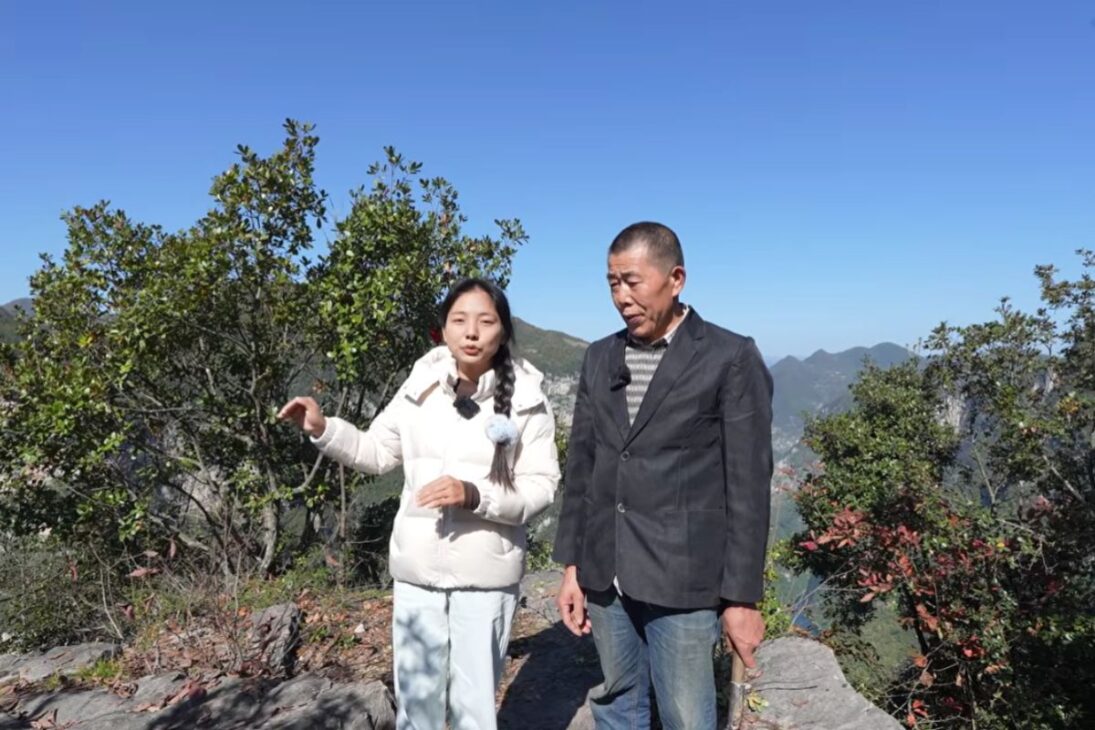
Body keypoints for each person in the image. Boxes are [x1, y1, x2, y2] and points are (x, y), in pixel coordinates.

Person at [278, 278, 560, 730]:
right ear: (443, 329)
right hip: (417, 575)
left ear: (503, 332)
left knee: (474, 711)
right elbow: (375, 452)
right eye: (459, 320)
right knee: (417, 706)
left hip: (485, 578)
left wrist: (476, 495)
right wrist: (323, 428)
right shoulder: (421, 385)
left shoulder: (527, 398)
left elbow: (541, 487)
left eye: (486, 322)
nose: (472, 332)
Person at [552, 222, 773, 729]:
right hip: (606, 572)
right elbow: (582, 467)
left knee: (686, 717)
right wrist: (572, 566)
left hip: (684, 578)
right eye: (613, 283)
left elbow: (748, 486)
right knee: (616, 703)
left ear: (676, 279)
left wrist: (741, 598)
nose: (621, 297)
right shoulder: (599, 357)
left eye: (632, 281)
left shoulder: (729, 356)